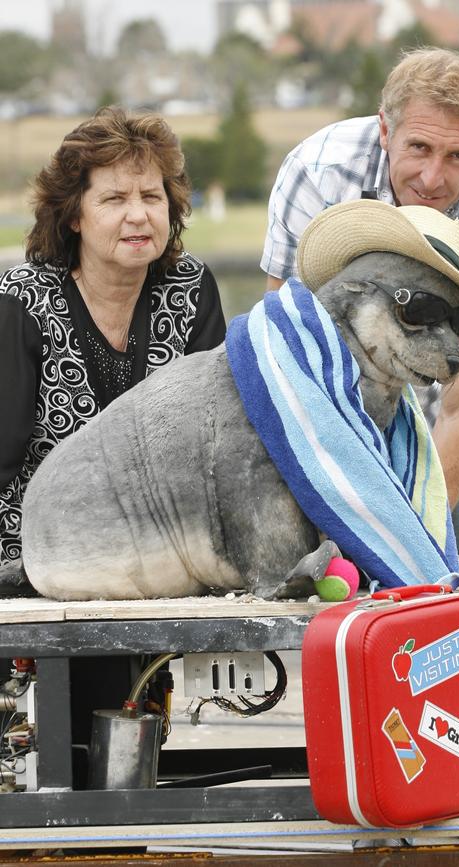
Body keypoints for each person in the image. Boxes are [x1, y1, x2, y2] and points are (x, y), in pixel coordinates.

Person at [0, 106, 226, 765]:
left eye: (152, 196)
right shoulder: (21, 299)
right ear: (74, 215)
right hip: (33, 563)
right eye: (116, 198)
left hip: (149, 565)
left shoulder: (191, 290)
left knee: (123, 758)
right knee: (55, 758)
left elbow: (212, 444)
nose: (139, 214)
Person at [261, 47, 459, 555]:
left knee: (453, 601)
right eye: (418, 148)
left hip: (443, 422)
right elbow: (284, 356)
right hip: (322, 412)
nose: (432, 179)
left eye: (458, 156)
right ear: (386, 131)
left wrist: (412, 544)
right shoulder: (317, 172)